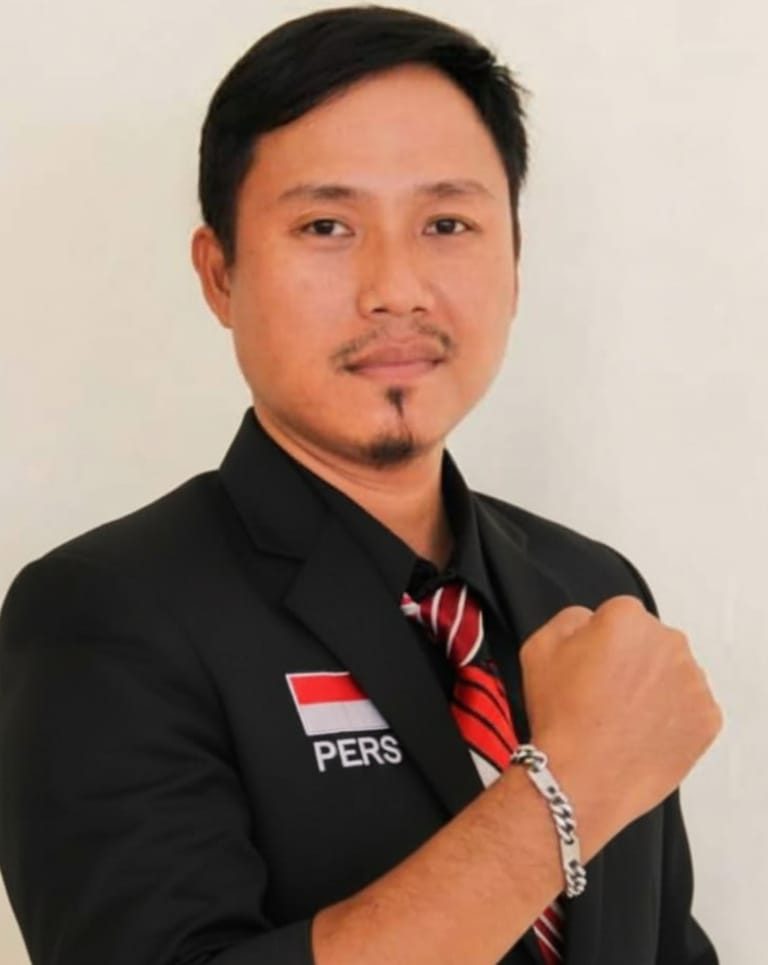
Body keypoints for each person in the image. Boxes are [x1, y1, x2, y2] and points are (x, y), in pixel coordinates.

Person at [0, 6, 723, 964]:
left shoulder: (592, 591)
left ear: (514, 261)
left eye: (447, 223)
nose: (396, 288)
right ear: (220, 274)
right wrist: (567, 790)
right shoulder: (102, 613)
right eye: (327, 225)